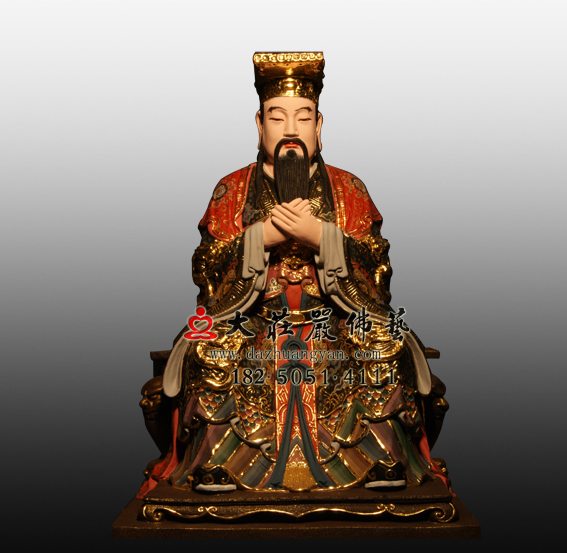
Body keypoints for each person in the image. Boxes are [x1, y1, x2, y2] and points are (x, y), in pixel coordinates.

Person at [137, 52, 450, 497]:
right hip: (252, 320)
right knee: (212, 352)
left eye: (303, 118)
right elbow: (205, 264)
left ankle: (379, 459)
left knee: (383, 346)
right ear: (259, 125)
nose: (290, 129)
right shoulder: (231, 189)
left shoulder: (349, 189)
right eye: (276, 117)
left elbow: (376, 261)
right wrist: (258, 239)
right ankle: (218, 463)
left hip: (335, 318)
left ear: (319, 126)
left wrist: (323, 237)